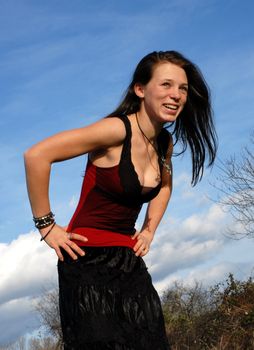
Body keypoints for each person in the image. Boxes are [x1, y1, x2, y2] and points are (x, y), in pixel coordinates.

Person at [24, 50, 217, 350]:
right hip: (84, 260)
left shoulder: (164, 143)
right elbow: (37, 156)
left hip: (128, 260)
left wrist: (150, 229)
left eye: (182, 88)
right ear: (140, 89)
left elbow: (164, 186)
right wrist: (47, 227)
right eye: (166, 85)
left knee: (151, 339)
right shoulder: (115, 130)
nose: (176, 94)